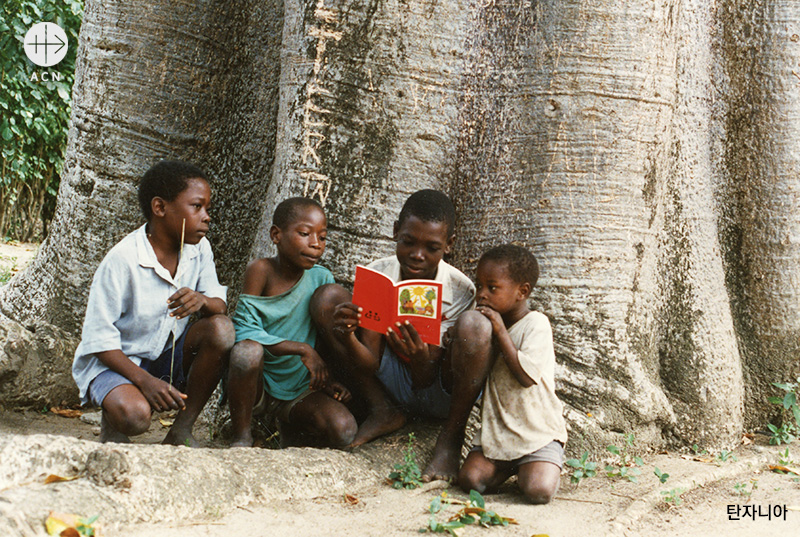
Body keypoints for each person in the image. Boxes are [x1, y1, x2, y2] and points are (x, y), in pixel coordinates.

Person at [313, 189, 492, 482]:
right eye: (408, 241)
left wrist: (420, 358)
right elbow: (369, 362)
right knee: (328, 297)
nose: (417, 255)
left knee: (475, 326)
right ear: (396, 231)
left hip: (438, 390)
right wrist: (347, 337)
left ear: (449, 245)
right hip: (386, 380)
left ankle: (450, 437)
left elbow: (428, 377)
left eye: (432, 247)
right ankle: (381, 408)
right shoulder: (378, 275)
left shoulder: (461, 290)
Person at [72, 160, 235, 446]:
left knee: (221, 330)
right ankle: (115, 417)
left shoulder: (198, 250)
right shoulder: (123, 260)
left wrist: (202, 301)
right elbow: (98, 341)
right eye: (197, 207)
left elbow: (219, 305)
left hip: (164, 356)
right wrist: (146, 382)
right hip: (115, 363)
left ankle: (181, 430)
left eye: (207, 208)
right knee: (136, 417)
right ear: (159, 207)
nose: (206, 217)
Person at [227, 197, 356, 449]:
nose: (316, 244)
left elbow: (322, 338)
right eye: (305, 233)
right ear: (276, 235)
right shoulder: (261, 270)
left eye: (323, 237)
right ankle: (241, 435)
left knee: (345, 430)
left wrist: (326, 380)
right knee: (246, 353)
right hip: (257, 383)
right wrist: (300, 349)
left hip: (298, 388)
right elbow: (243, 327)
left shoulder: (321, 278)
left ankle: (288, 427)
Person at [458, 244, 567, 504]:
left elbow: (526, 377)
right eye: (479, 286)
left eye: (492, 288)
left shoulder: (536, 324)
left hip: (537, 432)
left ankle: (537, 464)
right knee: (470, 480)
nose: (482, 295)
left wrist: (500, 331)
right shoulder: (485, 327)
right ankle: (508, 466)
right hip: (498, 432)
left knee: (538, 491)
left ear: (522, 292)